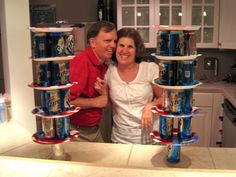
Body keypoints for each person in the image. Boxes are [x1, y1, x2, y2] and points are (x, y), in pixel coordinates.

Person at [96, 28, 162, 144]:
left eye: (130, 47)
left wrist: (150, 106)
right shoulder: (109, 72)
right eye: (121, 45)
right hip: (120, 139)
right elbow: (108, 105)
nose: (124, 51)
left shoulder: (149, 69)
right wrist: (103, 94)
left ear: (136, 50)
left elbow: (165, 98)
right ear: (116, 48)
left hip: (148, 139)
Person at [69, 21, 117, 142]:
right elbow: (66, 101)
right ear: (92, 43)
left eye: (114, 41)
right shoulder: (81, 62)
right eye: (107, 41)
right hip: (77, 131)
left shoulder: (103, 63)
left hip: (93, 129)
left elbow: (104, 102)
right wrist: (96, 102)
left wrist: (104, 96)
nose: (113, 45)